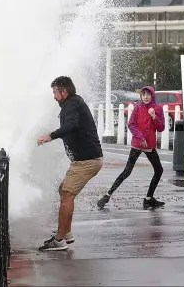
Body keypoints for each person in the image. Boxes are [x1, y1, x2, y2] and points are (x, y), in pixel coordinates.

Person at [36, 76, 103, 251]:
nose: (54, 97)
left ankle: (59, 240)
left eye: (55, 92)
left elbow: (71, 125)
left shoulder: (70, 105)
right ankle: (66, 233)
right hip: (87, 160)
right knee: (63, 190)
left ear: (64, 92)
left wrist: (50, 136)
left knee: (66, 196)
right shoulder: (74, 102)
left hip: (86, 161)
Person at [97, 86, 165, 210]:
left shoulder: (157, 108)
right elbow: (131, 124)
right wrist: (141, 137)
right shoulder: (138, 107)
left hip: (150, 146)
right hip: (138, 144)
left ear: (152, 95)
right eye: (143, 94)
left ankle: (149, 199)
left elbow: (161, 128)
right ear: (141, 96)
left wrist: (154, 116)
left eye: (148, 94)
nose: (145, 97)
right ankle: (107, 196)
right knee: (127, 171)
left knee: (159, 170)